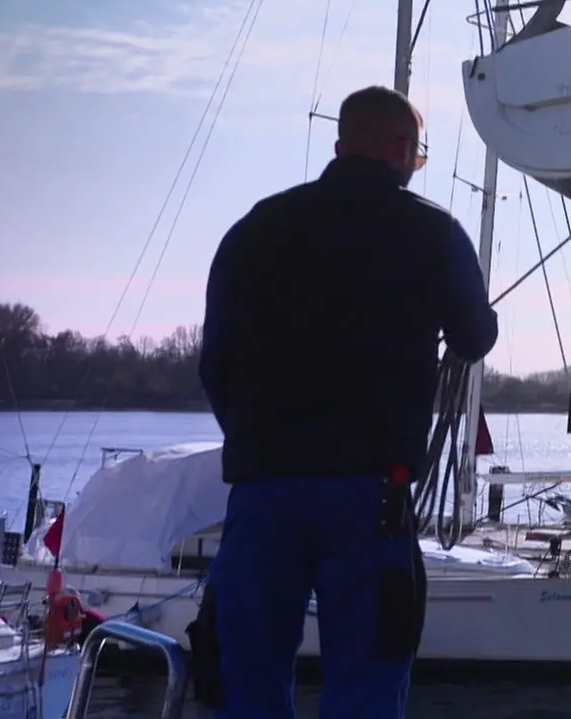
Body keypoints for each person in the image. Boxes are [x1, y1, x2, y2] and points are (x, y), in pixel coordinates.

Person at [198, 85, 498, 718]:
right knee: (365, 684)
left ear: (339, 147)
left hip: (262, 490)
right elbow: (473, 337)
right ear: (400, 148)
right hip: (370, 496)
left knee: (244, 680)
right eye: (418, 157)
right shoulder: (432, 234)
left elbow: (214, 364)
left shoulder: (252, 231)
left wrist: (258, 442)